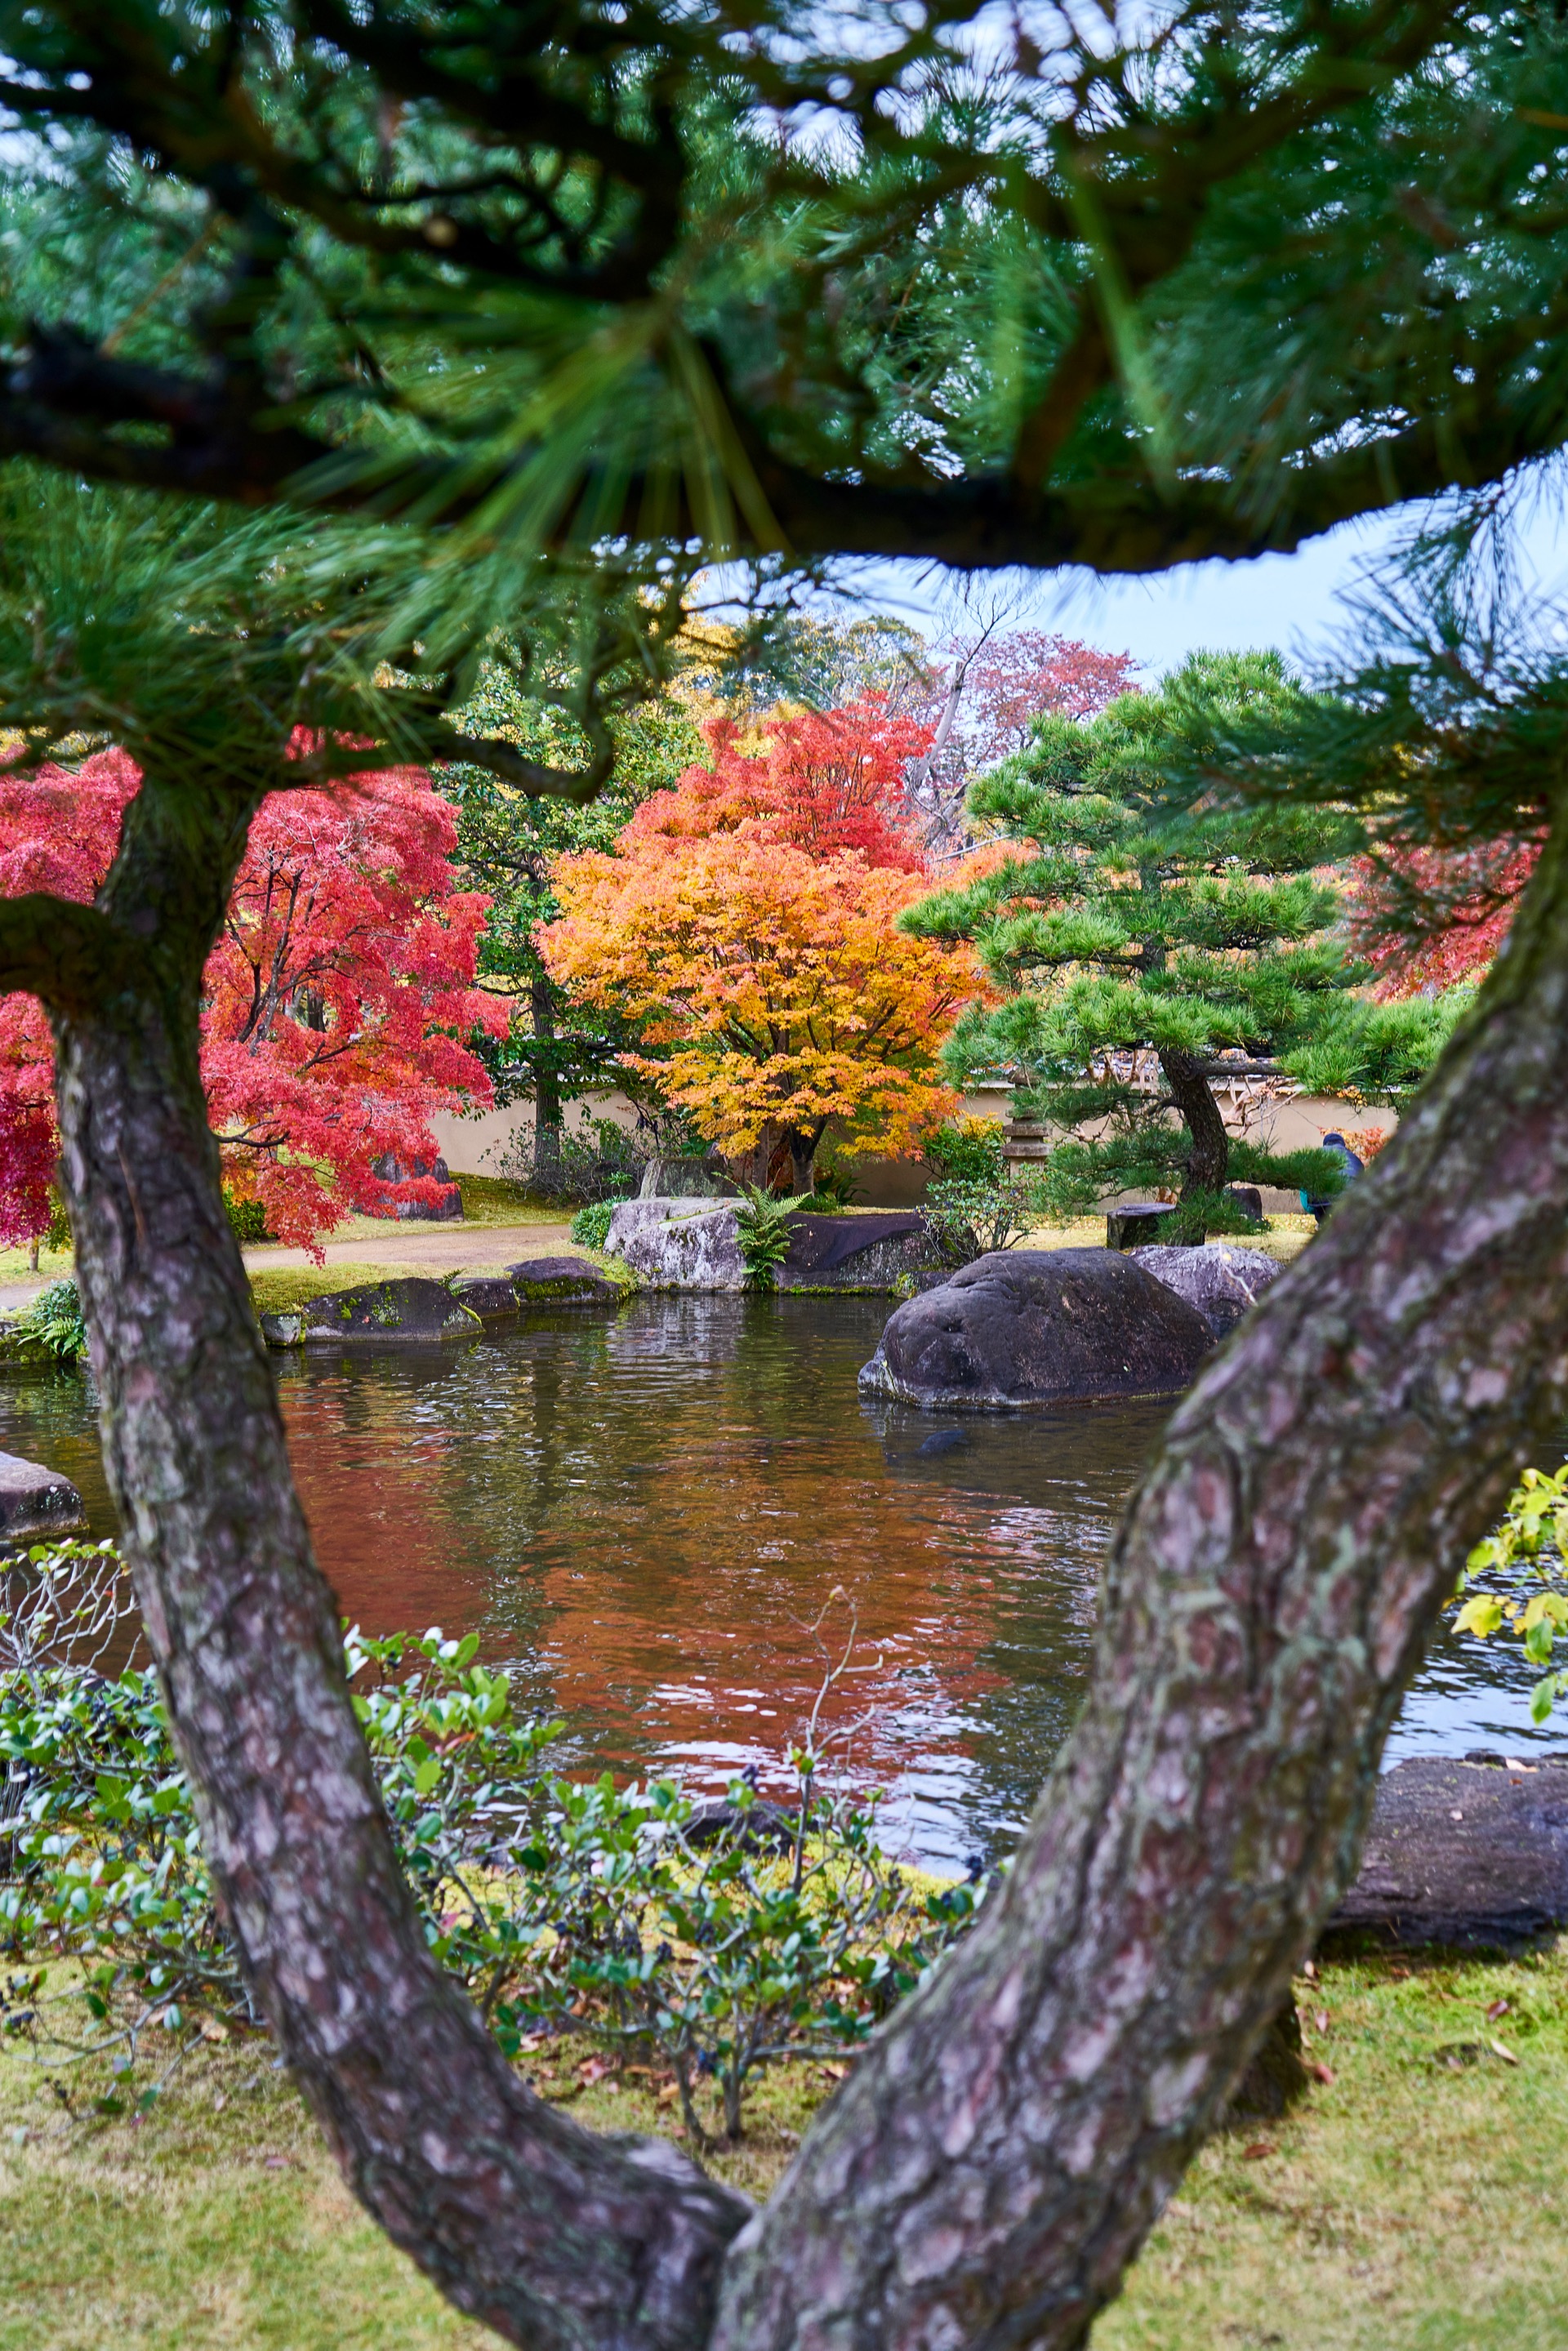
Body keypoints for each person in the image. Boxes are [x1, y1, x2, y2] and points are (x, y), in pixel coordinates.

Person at [1300, 1130, 1365, 1224]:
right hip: (1349, 1200)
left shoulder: (1315, 1156)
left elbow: (1304, 1186)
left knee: (1319, 1204)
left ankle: (1322, 1225)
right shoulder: (1355, 1159)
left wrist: (1309, 1207)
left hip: (1321, 1201)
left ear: (1325, 1145)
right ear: (1343, 1145)